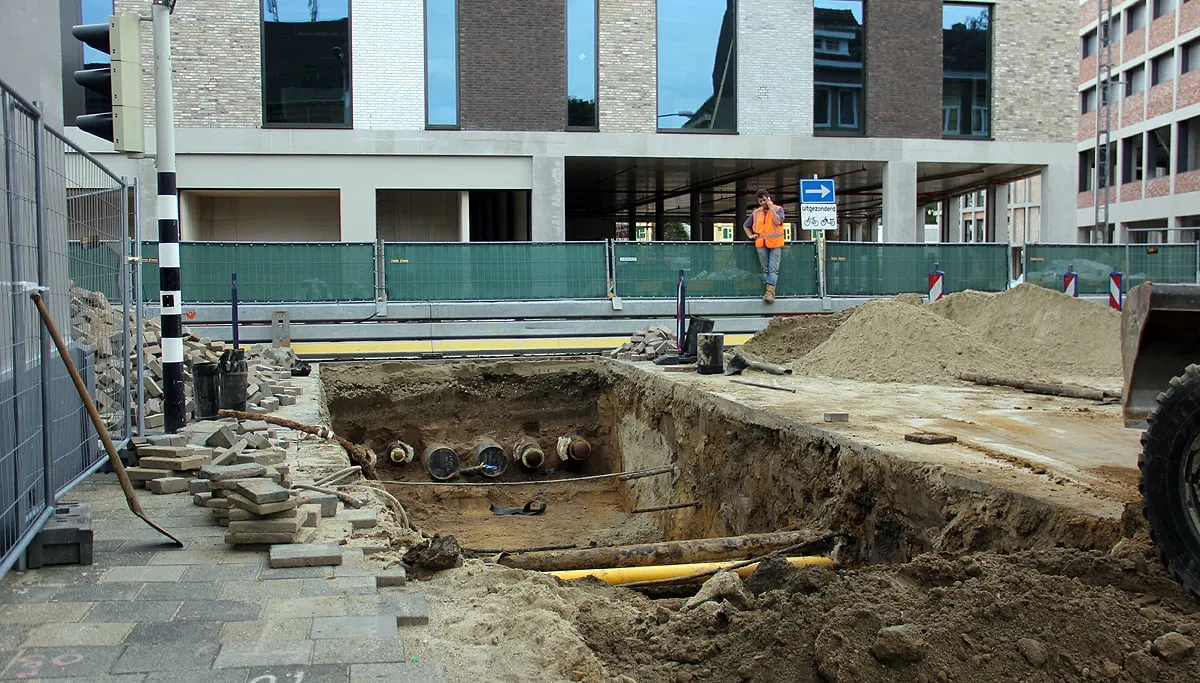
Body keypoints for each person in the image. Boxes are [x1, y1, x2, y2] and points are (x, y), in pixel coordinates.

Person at [743, 190, 785, 303]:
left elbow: (777, 221)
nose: (762, 203)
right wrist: (751, 235)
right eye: (760, 201)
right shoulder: (756, 213)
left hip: (775, 243)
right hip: (761, 243)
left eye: (764, 200)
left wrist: (771, 207)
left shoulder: (778, 209)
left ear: (768, 198)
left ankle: (769, 292)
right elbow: (746, 225)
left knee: (773, 269)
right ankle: (769, 292)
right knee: (765, 269)